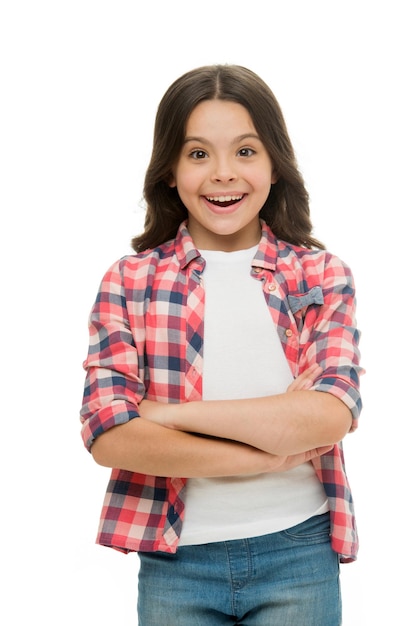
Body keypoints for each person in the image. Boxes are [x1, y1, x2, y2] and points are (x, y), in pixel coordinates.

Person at [80, 64, 364, 625]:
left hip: (299, 552)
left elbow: (330, 413)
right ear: (169, 170)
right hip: (178, 560)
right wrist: (269, 451)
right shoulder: (130, 281)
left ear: (275, 163)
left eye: (246, 151)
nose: (223, 175)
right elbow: (108, 435)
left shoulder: (319, 275)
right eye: (199, 154)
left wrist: (163, 414)